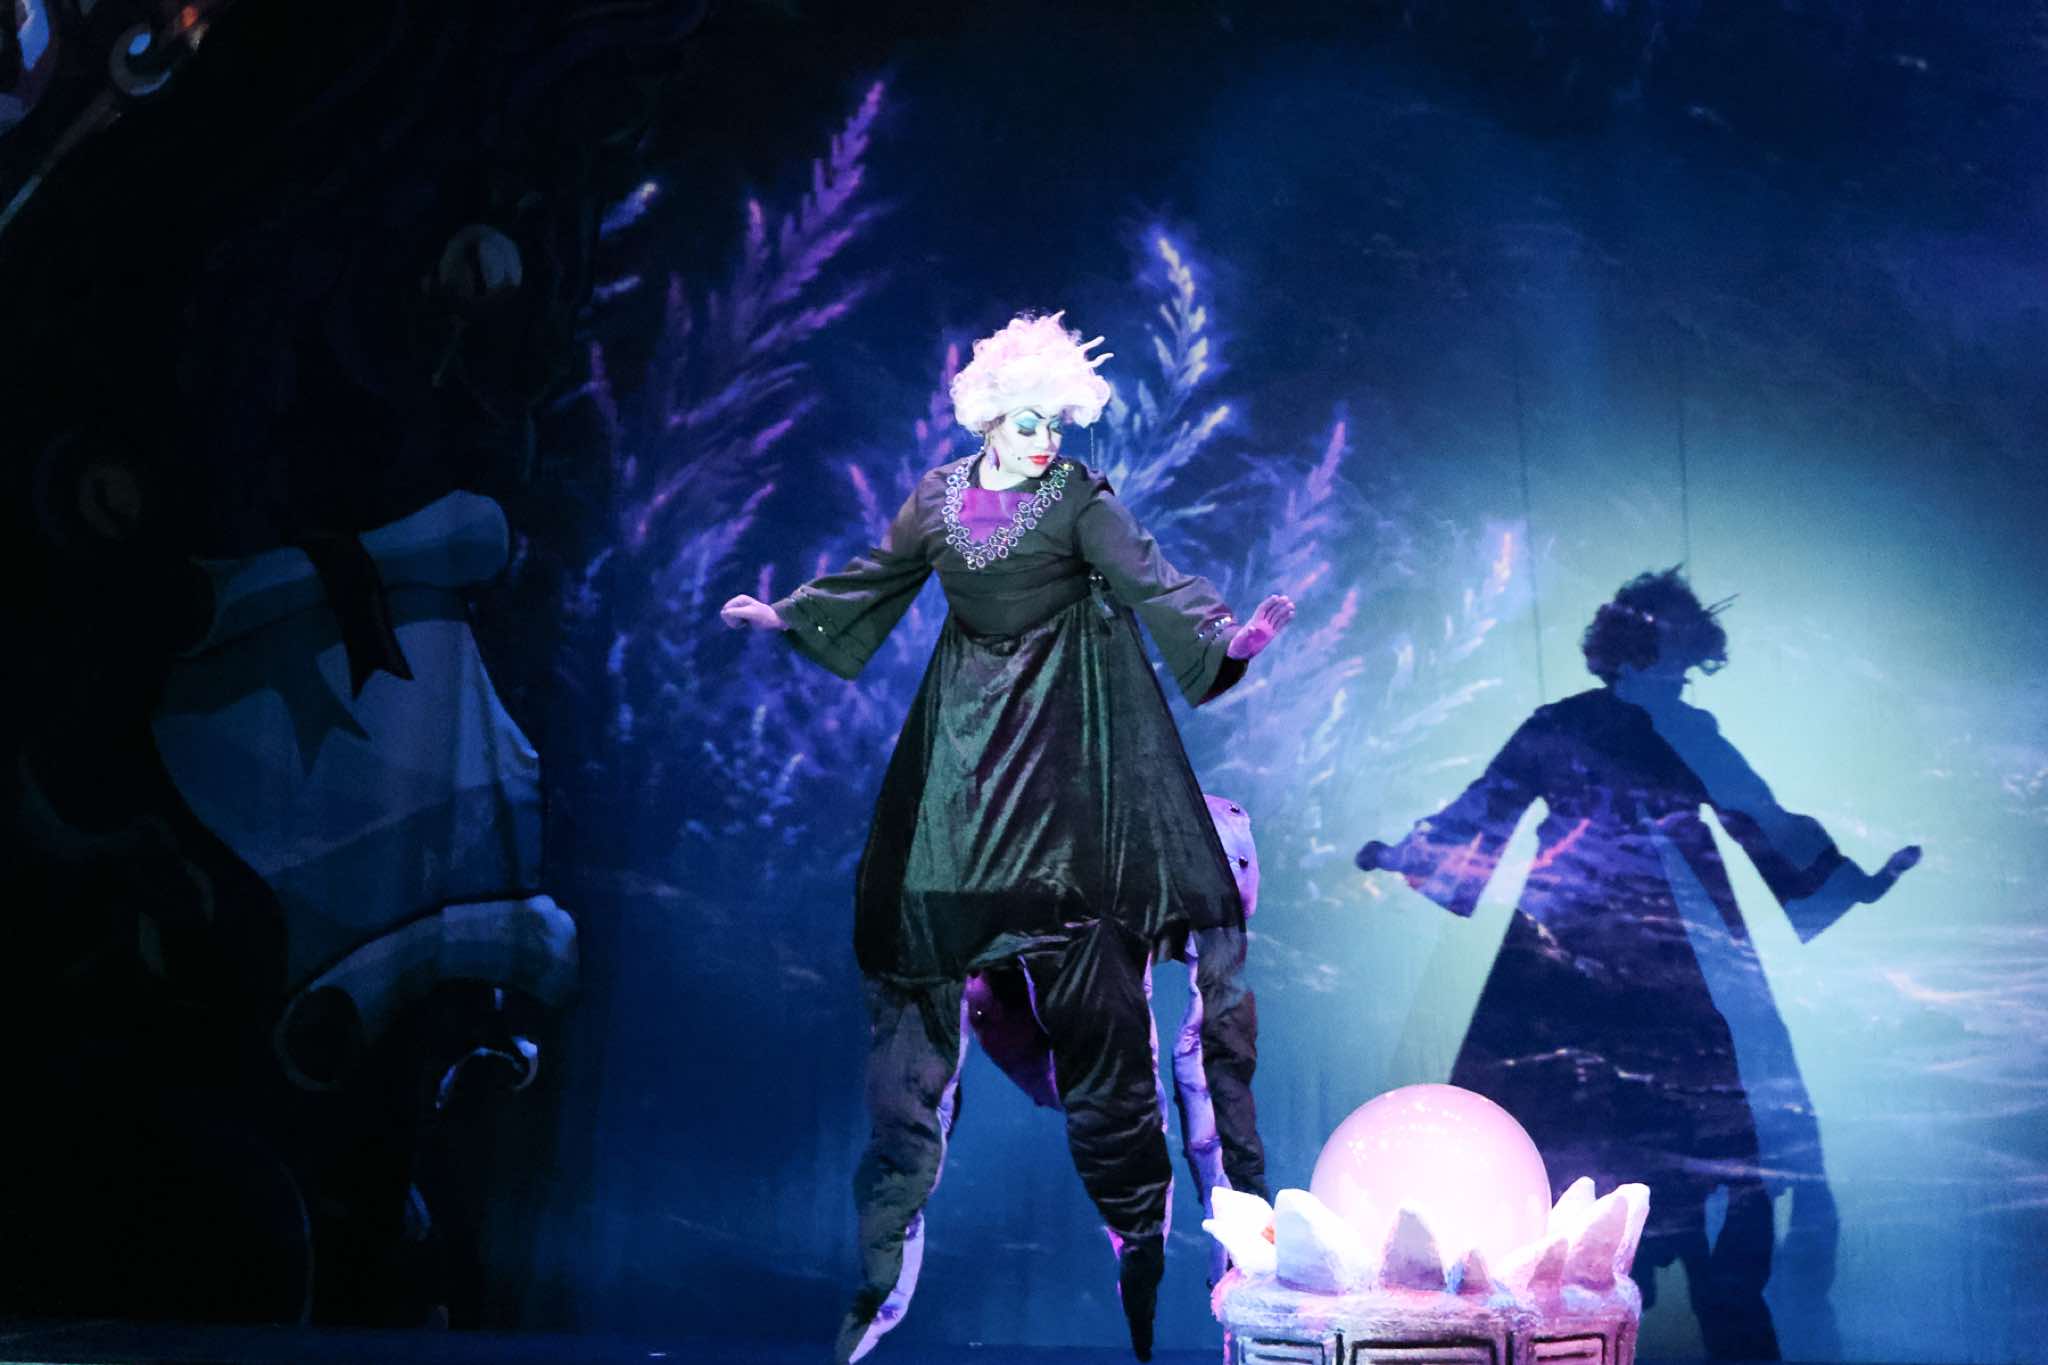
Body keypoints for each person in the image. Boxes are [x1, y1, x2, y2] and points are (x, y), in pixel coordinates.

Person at [722, 312, 1293, 1363]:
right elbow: (874, 579)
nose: (1043, 441)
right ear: (988, 418)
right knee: (923, 957)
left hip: (1071, 734)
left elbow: (1151, 578)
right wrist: (786, 615)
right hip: (972, 739)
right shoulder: (939, 499)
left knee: (1102, 991)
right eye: (1026, 423)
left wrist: (1228, 638)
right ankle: (888, 1257)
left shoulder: (1075, 497)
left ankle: (1145, 1231)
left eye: (1055, 424)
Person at [1355, 568, 1919, 1359]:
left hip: (1663, 947)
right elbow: (1490, 804)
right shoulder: (1573, 726)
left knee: (1681, 1125)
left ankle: (1663, 1289)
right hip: (1574, 950)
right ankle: (1567, 1304)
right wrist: (1411, 852)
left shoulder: (1671, 730)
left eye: (1685, 663)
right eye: (1671, 659)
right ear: (1633, 652)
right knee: (1577, 1121)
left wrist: (1845, 881)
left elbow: (1757, 815)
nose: (1678, 676)